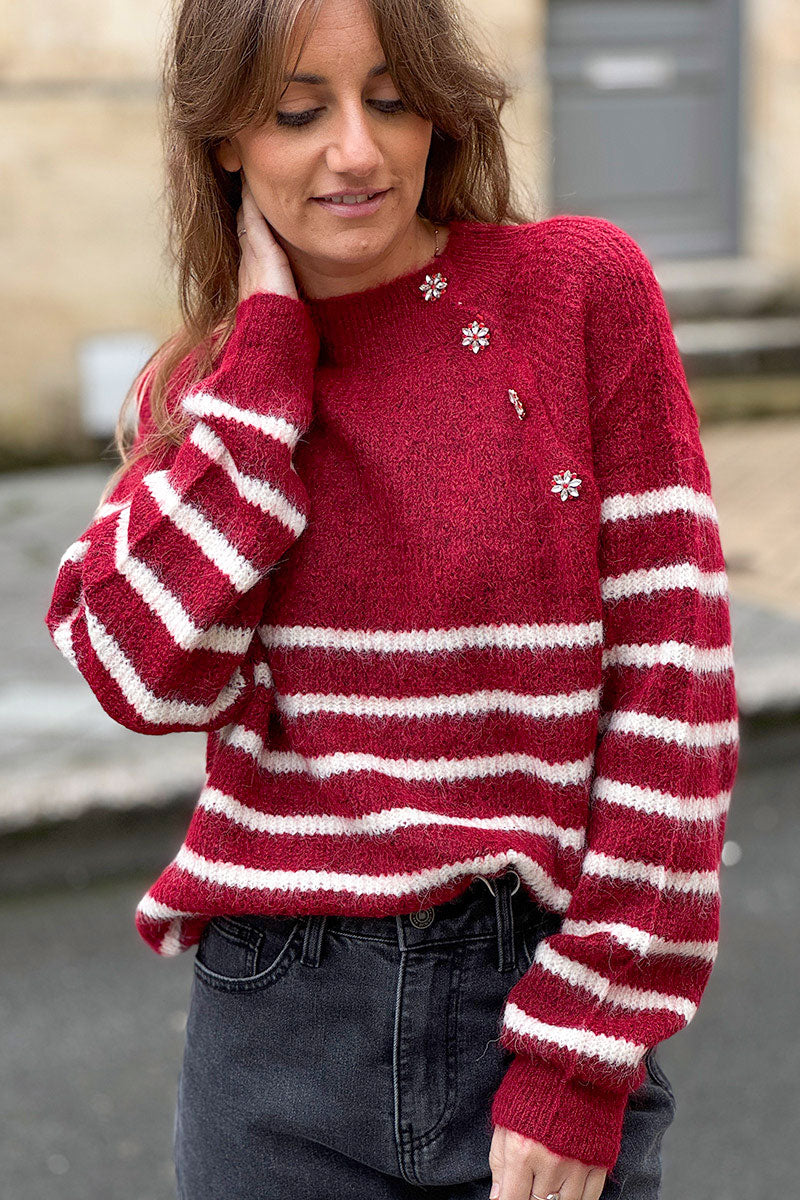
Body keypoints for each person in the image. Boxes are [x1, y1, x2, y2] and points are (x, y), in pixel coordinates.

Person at [44, 0, 740, 1197]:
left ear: (441, 108)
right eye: (297, 113)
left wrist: (578, 1058)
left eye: (391, 99)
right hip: (273, 1040)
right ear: (224, 141)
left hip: (532, 996)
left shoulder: (575, 296)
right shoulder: (211, 392)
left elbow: (673, 694)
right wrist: (265, 359)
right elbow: (135, 669)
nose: (356, 153)